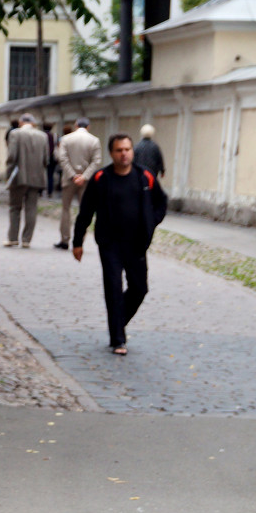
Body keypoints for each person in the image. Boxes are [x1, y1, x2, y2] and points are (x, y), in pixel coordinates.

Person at [72, 133, 168, 355]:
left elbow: (161, 202)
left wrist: (151, 222)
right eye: (119, 150)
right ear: (111, 153)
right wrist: (78, 242)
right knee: (113, 289)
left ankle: (117, 322)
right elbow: (85, 212)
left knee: (139, 289)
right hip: (110, 244)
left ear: (132, 151)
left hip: (136, 243)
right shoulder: (100, 179)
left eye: (127, 149)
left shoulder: (145, 177)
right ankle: (118, 339)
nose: (124, 154)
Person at [54, 117, 103, 250]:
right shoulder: (94, 140)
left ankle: (64, 239)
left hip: (69, 179)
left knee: (66, 209)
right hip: (86, 182)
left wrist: (73, 175)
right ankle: (79, 239)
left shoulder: (66, 139)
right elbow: (96, 161)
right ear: (88, 127)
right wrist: (84, 176)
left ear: (76, 125)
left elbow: (62, 158)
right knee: (85, 210)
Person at [5, 113, 49, 247]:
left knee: (15, 208)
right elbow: (46, 159)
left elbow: (12, 156)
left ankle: (13, 238)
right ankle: (26, 240)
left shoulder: (15, 134)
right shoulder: (43, 136)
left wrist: (8, 174)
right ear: (34, 123)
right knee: (31, 208)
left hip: (19, 176)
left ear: (20, 122)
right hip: (36, 177)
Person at [43, 122, 58, 197]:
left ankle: (40, 191)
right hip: (52, 157)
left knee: (41, 174)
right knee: (50, 175)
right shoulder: (54, 135)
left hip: (43, 157)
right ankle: (50, 192)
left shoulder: (41, 135)